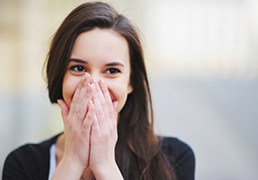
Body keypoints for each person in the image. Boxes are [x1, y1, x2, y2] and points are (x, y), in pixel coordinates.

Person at [2, 2, 195, 180]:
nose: (93, 83)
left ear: (131, 82)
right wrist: (73, 161)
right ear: (60, 76)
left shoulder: (174, 158)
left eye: (112, 71)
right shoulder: (22, 163)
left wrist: (104, 165)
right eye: (78, 68)